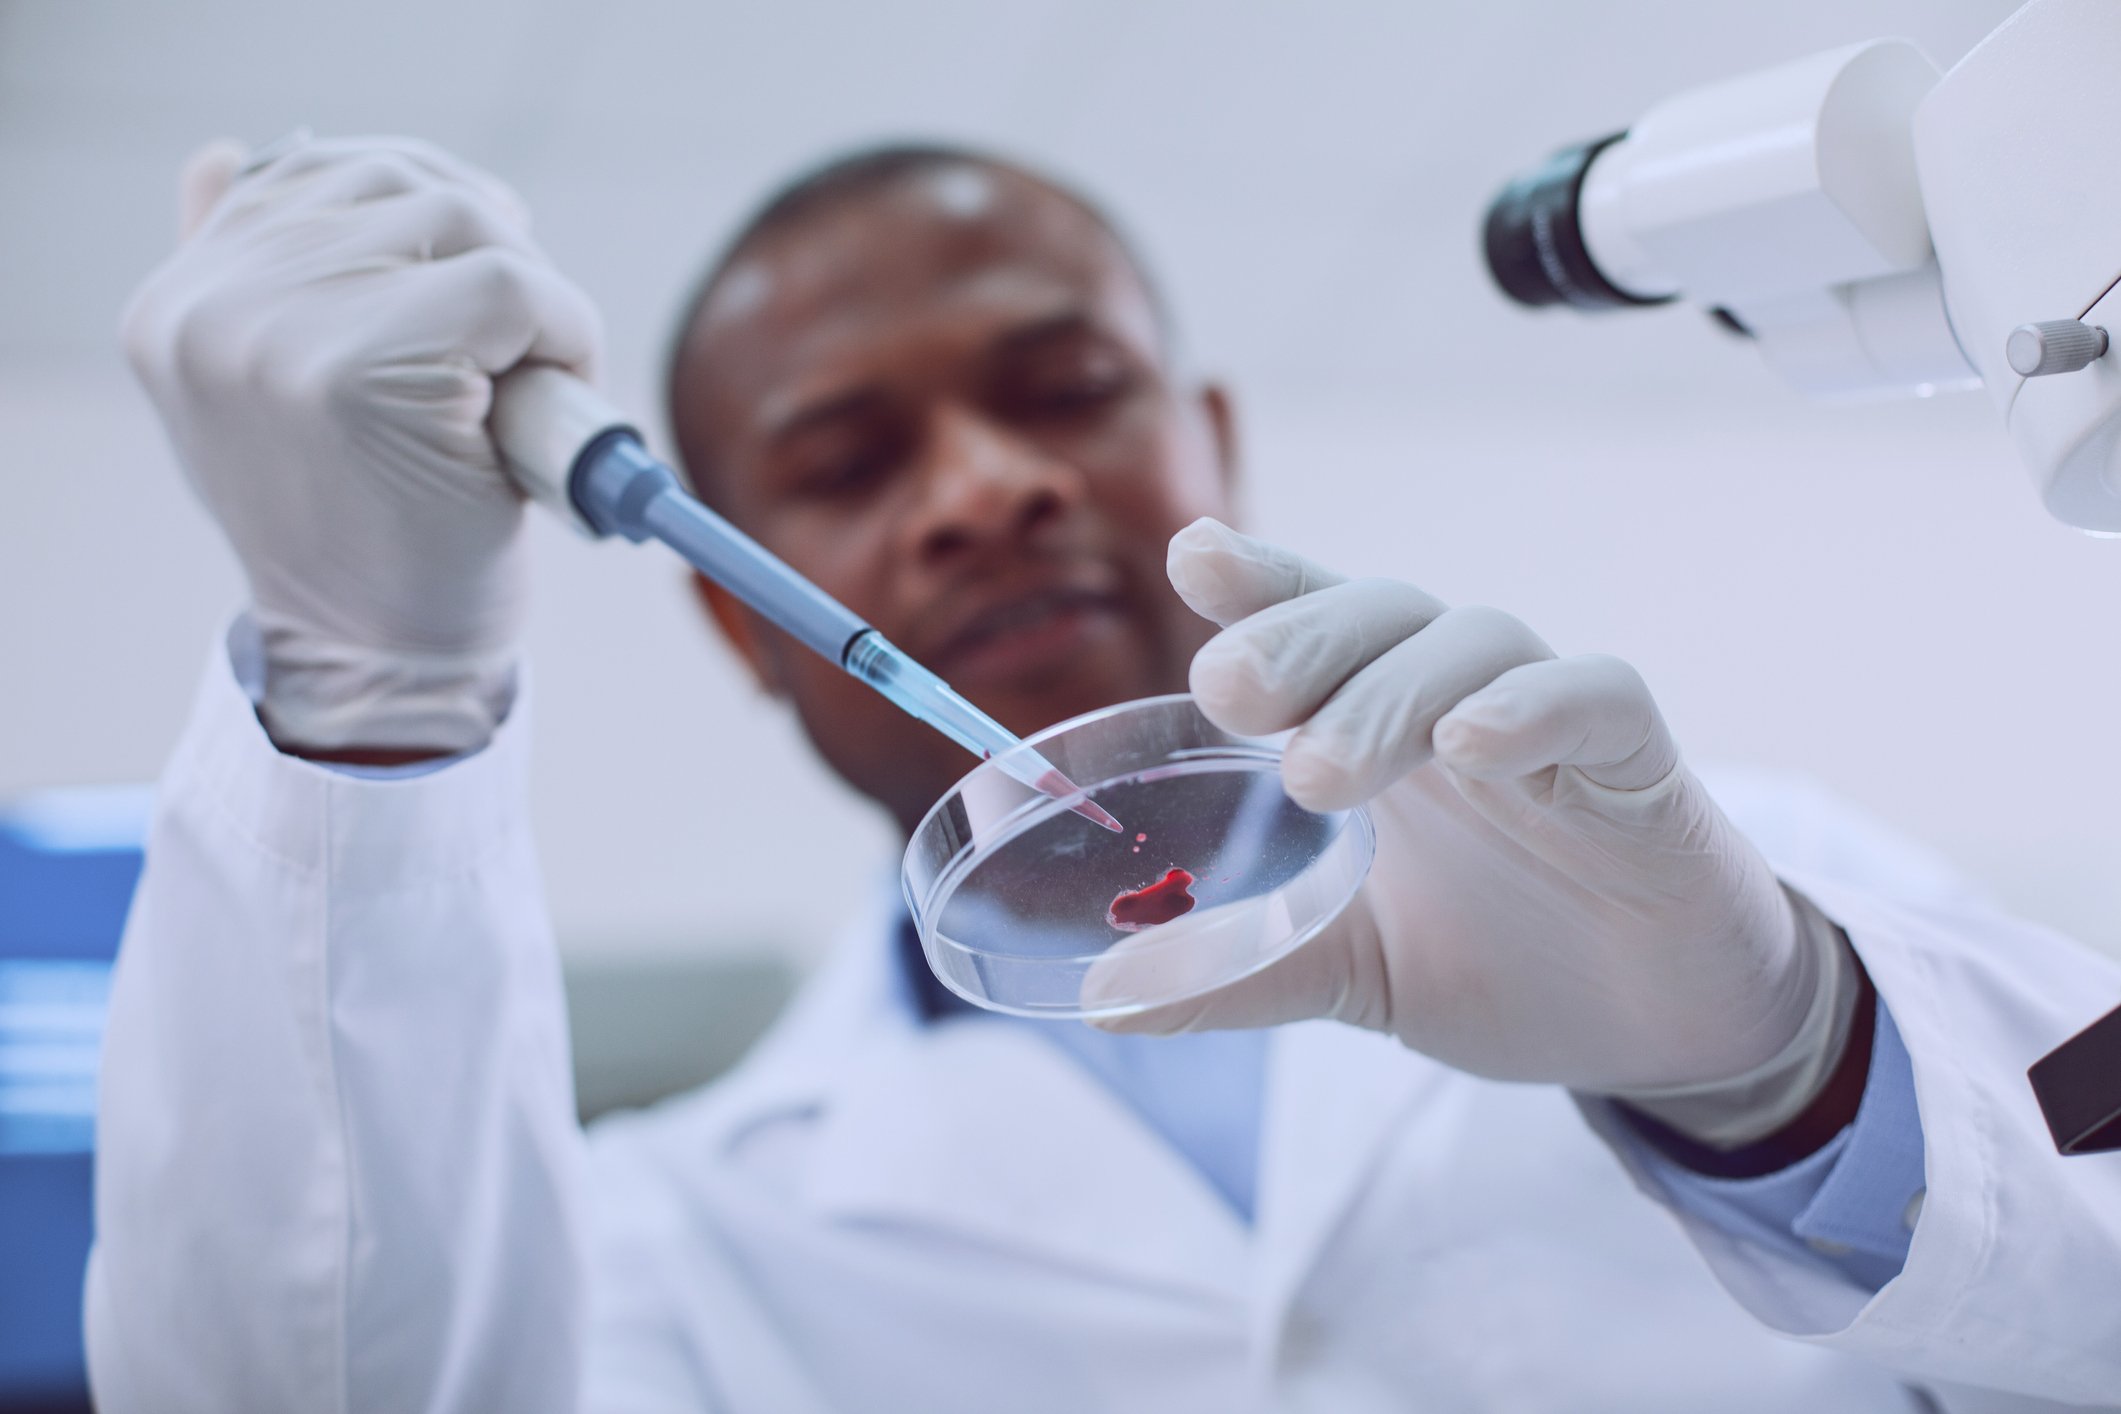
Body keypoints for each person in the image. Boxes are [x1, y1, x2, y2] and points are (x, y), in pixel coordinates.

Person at [90, 135, 2121, 1413]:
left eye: (1063, 392)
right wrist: (369, 700)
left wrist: (1783, 1074)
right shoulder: (682, 1234)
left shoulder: (1713, 876)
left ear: (1209, 445)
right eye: (845, 462)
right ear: (728, 609)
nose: (987, 488)